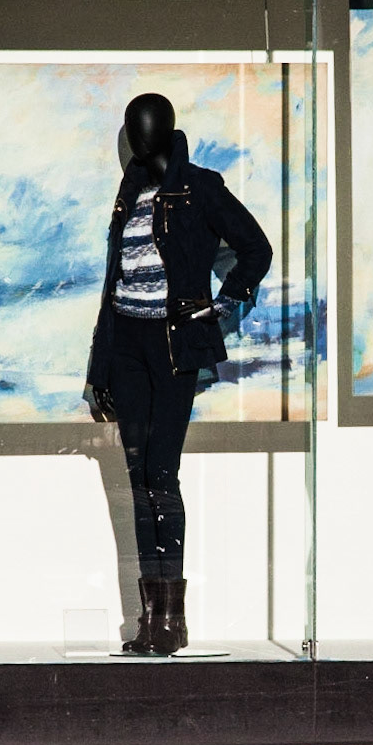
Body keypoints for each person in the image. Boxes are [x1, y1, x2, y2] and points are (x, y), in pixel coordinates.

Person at [86, 94, 272, 656]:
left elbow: (255, 249)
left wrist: (220, 305)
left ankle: (172, 620)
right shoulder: (128, 195)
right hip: (127, 348)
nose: (138, 133)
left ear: (165, 128)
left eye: (146, 123)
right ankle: (150, 620)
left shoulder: (201, 186)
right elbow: (112, 286)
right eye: (131, 124)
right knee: (139, 480)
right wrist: (99, 369)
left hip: (171, 346)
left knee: (161, 476)